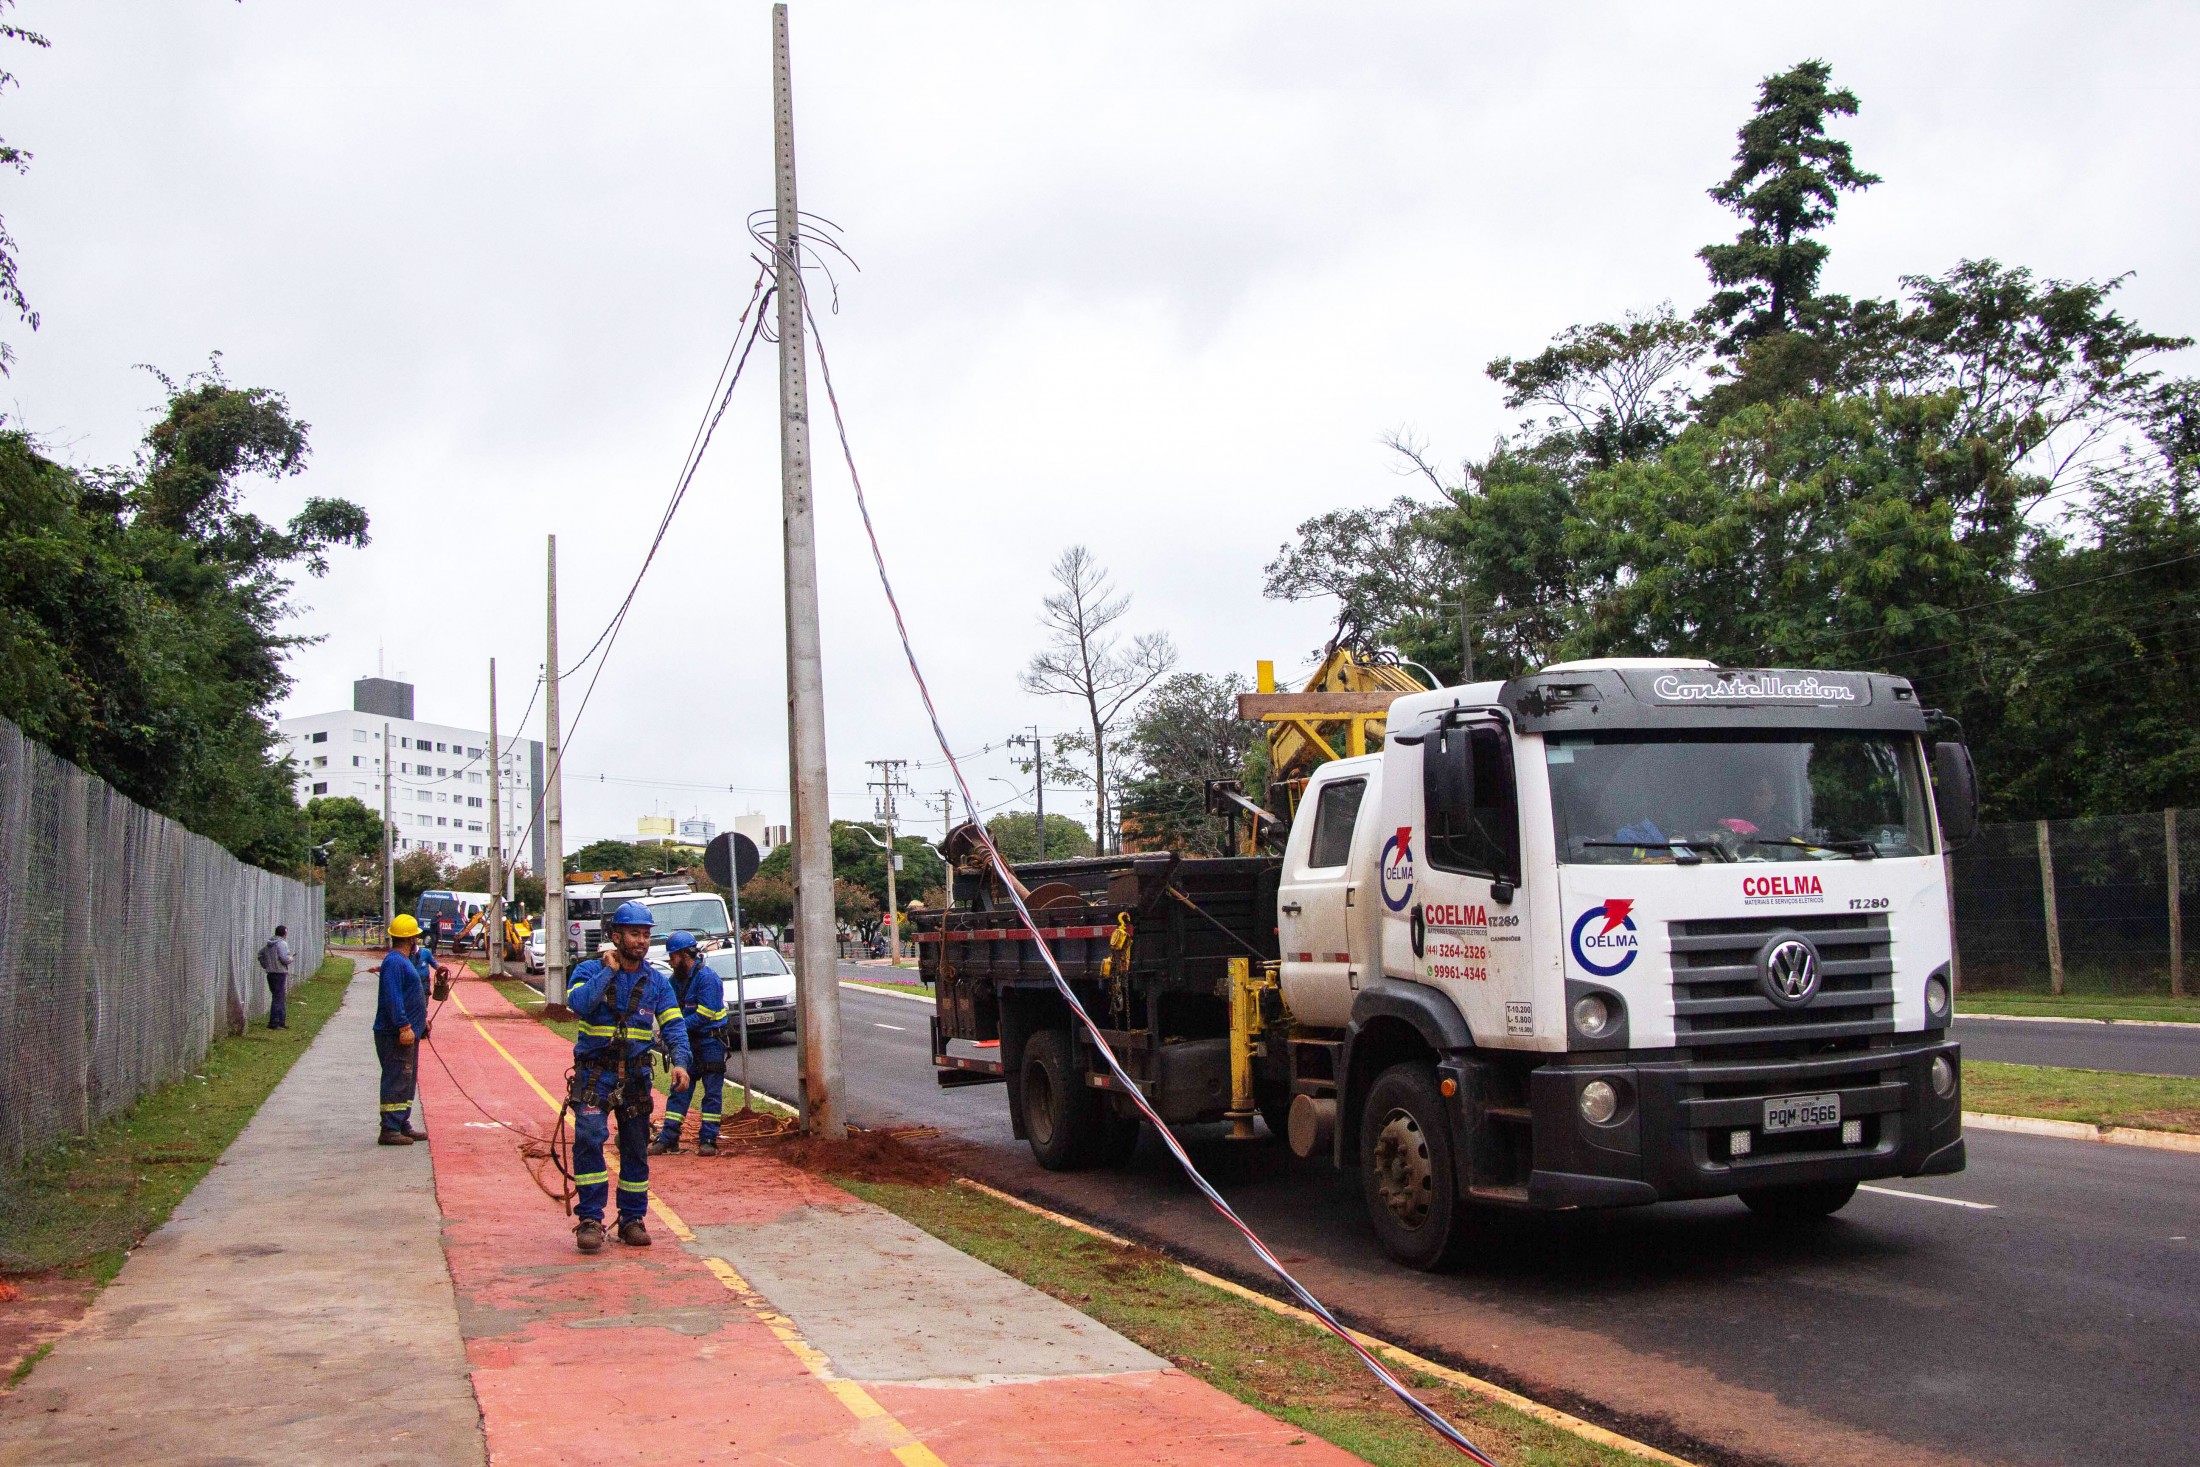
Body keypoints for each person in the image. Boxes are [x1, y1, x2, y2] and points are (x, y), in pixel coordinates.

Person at [566, 901, 690, 1252]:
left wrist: (680, 1061)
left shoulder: (656, 982)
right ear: (615, 936)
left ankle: (632, 1219)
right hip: (594, 1076)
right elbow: (580, 1004)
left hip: (636, 1078)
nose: (641, 941)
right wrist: (608, 971)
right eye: (635, 934)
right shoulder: (588, 971)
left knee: (636, 1148)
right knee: (589, 1139)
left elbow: (674, 1026)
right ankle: (590, 1219)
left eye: (646, 935)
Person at [651, 932, 727, 1157]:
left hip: (711, 1042)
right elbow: (668, 1009)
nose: (670, 961)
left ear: (685, 955)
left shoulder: (707, 979)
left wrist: (676, 1027)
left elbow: (704, 1014)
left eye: (673, 957)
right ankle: (668, 1138)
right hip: (689, 1043)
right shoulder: (674, 981)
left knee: (712, 1093)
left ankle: (709, 1139)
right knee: (679, 1089)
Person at [376, 916, 431, 1146]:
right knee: (397, 1078)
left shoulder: (402, 960)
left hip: (410, 1033)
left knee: (407, 1079)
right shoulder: (395, 962)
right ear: (411, 938)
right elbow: (393, 998)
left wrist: (421, 1023)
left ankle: (401, 1123)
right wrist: (404, 1025)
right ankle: (389, 1128)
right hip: (395, 1034)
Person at [258, 925, 293, 1030]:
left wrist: (266, 965)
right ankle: (274, 1022)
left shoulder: (269, 944)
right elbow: (284, 958)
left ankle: (281, 1022)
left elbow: (260, 954)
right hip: (279, 973)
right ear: (284, 933)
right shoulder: (281, 944)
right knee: (278, 998)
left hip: (271, 973)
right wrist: (290, 958)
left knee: (278, 996)